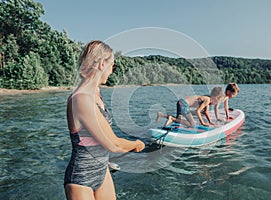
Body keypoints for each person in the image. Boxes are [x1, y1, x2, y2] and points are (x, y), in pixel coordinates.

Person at [64, 40, 145, 200]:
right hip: (81, 179)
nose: (112, 71)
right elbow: (112, 144)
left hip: (102, 171)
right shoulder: (81, 99)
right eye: (112, 66)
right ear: (102, 64)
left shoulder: (96, 92)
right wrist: (136, 144)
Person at [156, 87, 225, 127]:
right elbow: (197, 111)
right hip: (184, 104)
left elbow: (206, 112)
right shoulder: (207, 100)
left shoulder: (207, 98)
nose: (215, 104)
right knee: (192, 124)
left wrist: (210, 122)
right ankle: (172, 118)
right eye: (218, 102)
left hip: (180, 102)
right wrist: (203, 123)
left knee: (179, 120)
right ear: (216, 97)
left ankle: (162, 115)